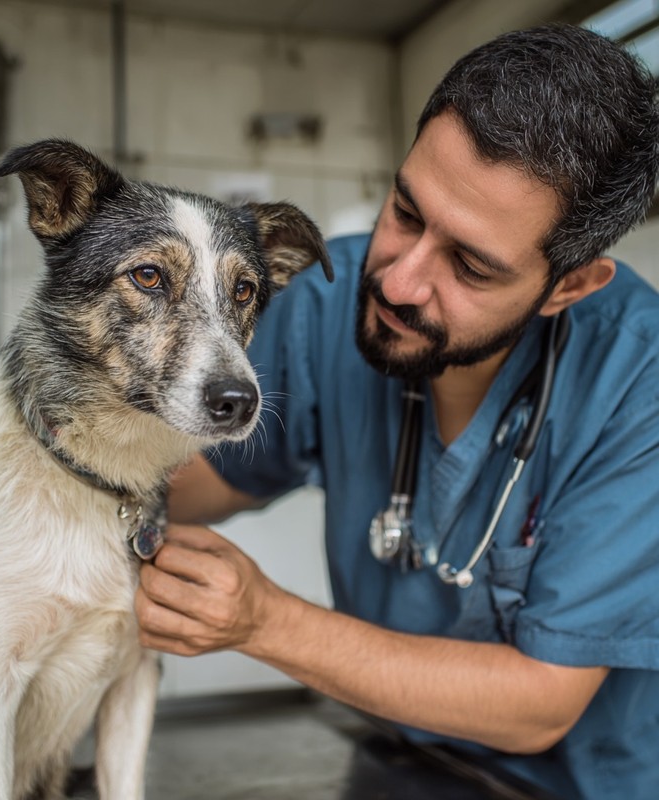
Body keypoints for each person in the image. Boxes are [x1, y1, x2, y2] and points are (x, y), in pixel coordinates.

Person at [135, 23, 659, 800]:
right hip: (399, 760)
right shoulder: (327, 296)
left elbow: (540, 703)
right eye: (406, 213)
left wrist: (264, 622)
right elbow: (189, 483)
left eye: (471, 266)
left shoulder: (637, 383)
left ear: (568, 287)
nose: (399, 281)